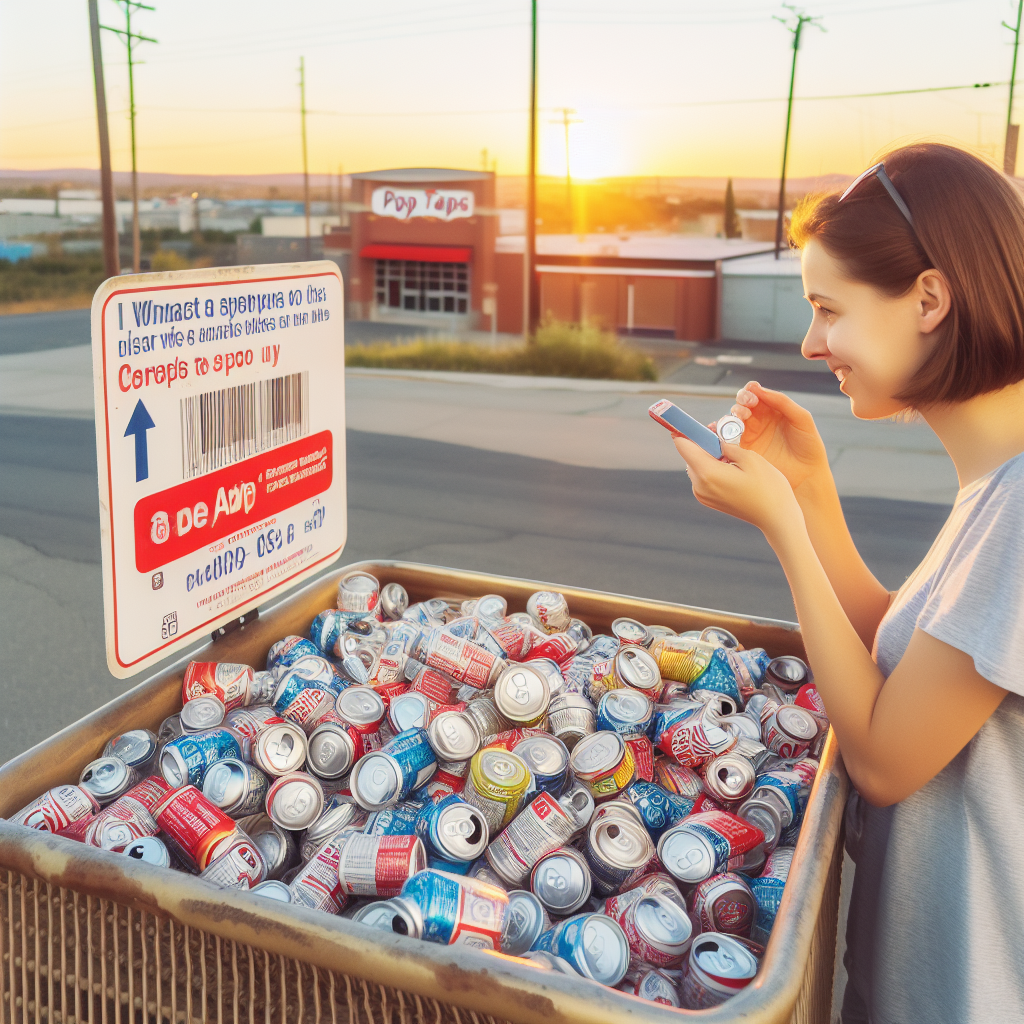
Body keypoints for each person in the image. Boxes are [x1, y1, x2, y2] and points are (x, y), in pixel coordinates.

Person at [668, 143, 1024, 1023]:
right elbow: (908, 664)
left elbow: (885, 758)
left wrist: (784, 531)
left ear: (930, 300)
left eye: (829, 310)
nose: (810, 342)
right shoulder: (998, 486)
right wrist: (811, 495)